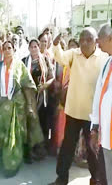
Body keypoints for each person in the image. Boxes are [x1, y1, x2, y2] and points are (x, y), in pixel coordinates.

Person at [48, 27, 109, 185]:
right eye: (81, 39)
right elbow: (60, 57)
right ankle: (61, 178)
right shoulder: (74, 54)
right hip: (73, 112)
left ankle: (95, 179)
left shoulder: (104, 57)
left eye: (88, 39)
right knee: (67, 148)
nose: (84, 43)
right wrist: (56, 45)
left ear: (96, 41)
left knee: (92, 151)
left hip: (92, 115)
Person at [0, 40, 41, 177]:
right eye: (5, 48)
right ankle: (6, 156)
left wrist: (30, 105)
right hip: (1, 104)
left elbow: (28, 85)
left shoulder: (20, 66)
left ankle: (11, 163)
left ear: (14, 50)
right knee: (4, 132)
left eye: (9, 48)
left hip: (17, 104)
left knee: (17, 133)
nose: (7, 50)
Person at [22, 39, 54, 156]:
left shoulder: (45, 60)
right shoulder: (24, 61)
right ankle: (29, 150)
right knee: (30, 122)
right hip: (29, 97)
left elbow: (52, 77)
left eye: (36, 46)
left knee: (42, 122)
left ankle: (40, 149)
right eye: (32, 47)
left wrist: (45, 85)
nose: (34, 49)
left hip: (42, 97)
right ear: (29, 48)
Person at [90, 23, 112, 185]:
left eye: (100, 38)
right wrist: (95, 127)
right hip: (106, 137)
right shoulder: (107, 63)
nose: (98, 42)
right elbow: (99, 96)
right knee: (105, 176)